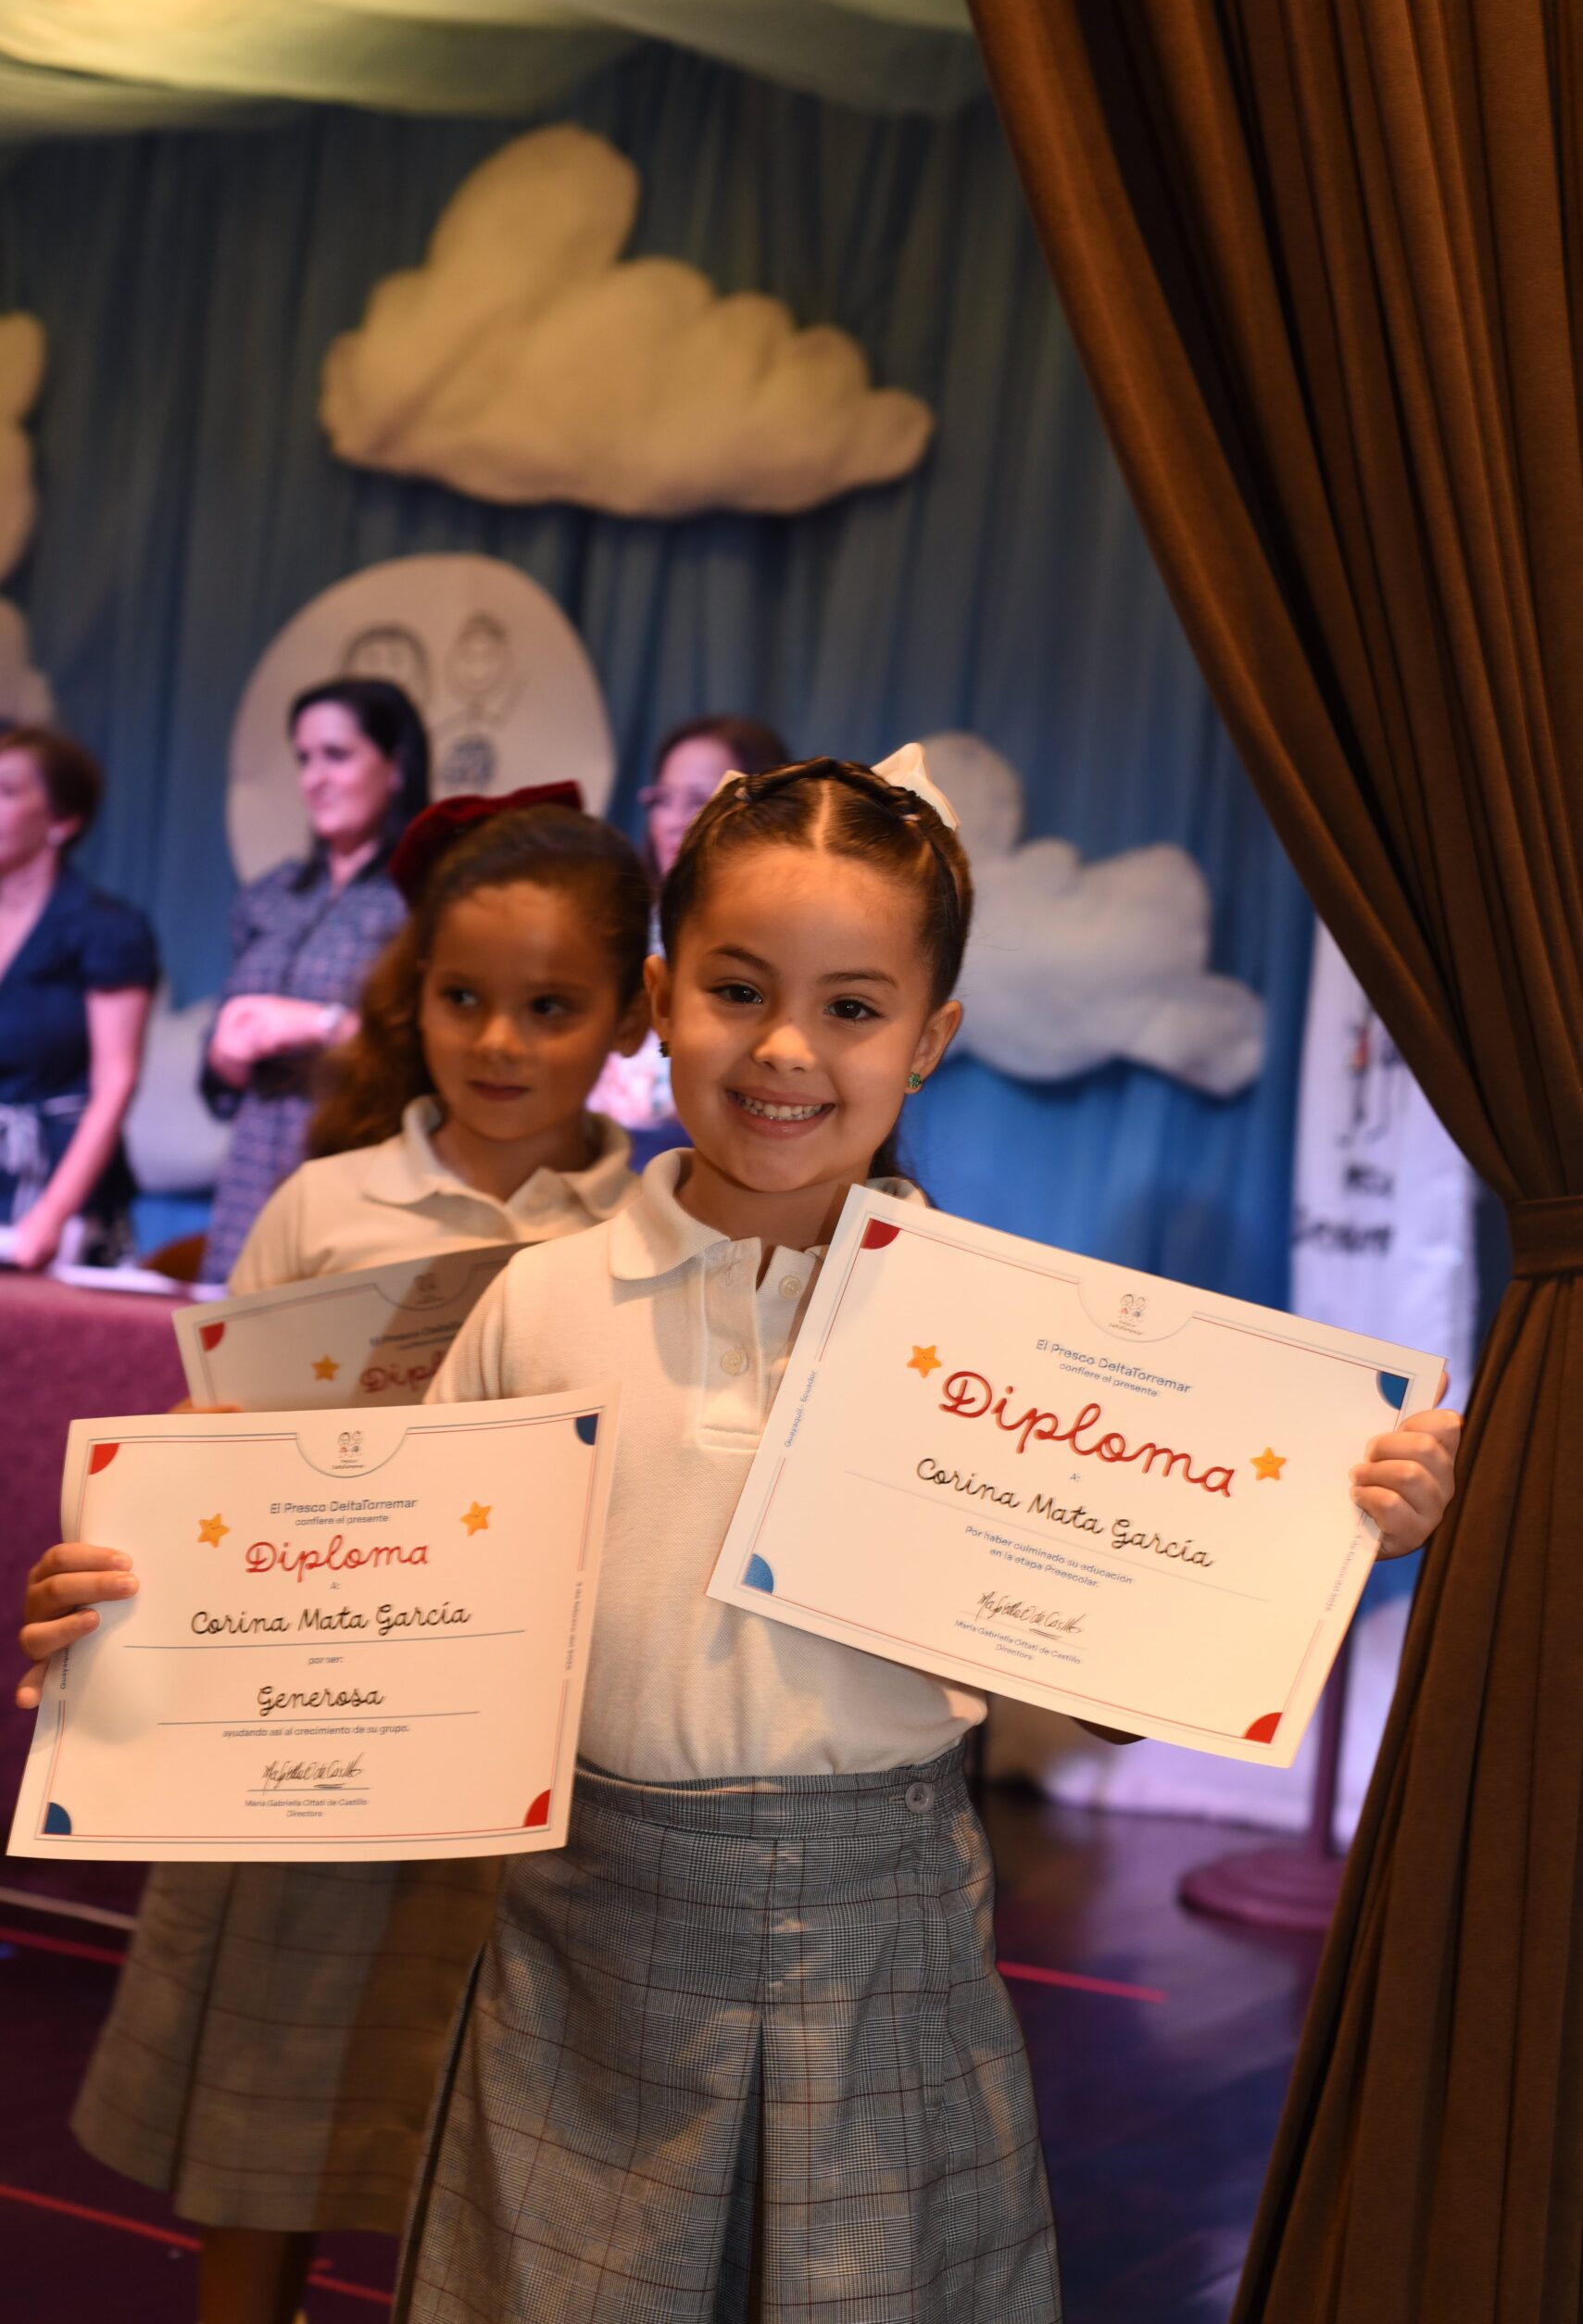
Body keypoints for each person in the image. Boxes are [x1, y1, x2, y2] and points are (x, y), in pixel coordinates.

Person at [21, 752, 1463, 2321]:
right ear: (659, 1001)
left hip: (886, 1959)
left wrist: (1328, 1529)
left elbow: (1116, 1690)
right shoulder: (536, 1305)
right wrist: (154, 1608)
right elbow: (382, 1613)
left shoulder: (999, 1343)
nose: (785, 1048)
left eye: (851, 1008)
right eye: (735, 989)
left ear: (929, 1041)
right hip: (573, 1959)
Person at [21, 786, 649, 2324]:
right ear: (410, 995)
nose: (498, 1043)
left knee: (478, 2139)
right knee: (266, 2121)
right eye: (462, 998)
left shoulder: (648, 1229)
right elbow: (211, 1452)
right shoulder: (325, 1200)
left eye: (550, 1008)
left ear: (630, 1015)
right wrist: (151, 1515)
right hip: (299, 1754)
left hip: (512, 1769)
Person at [199, 675, 430, 1285]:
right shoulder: (272, 896)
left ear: (396, 766)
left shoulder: (422, 897)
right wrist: (227, 1049)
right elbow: (217, 1071)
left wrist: (317, 1024)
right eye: (304, 759)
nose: (314, 779)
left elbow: (429, 1056)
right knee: (228, 1339)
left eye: (336, 755)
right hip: (250, 1177)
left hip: (355, 1172)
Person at [590, 712, 787, 1146]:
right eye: (663, 799)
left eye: (698, 800)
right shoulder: (617, 923)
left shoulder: (781, 946)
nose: (673, 820)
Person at [0, 725, 157, 1268]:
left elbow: (115, 1083)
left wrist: (52, 1214)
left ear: (62, 821)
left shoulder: (105, 929)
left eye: (6, 790)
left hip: (59, 1185)